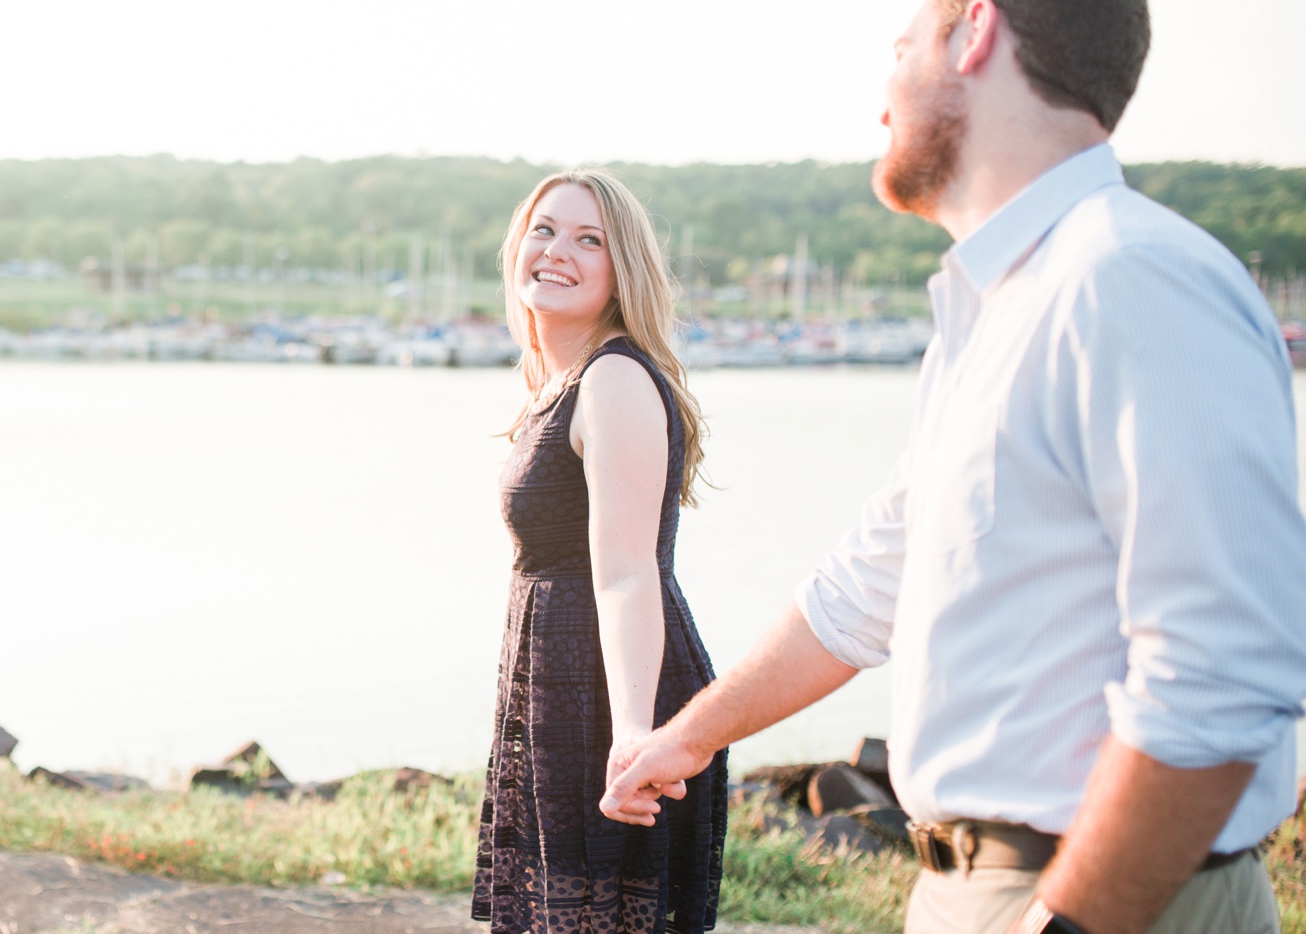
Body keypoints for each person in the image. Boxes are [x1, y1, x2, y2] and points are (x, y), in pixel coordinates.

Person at [599, 2, 1306, 933]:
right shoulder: (997, 313)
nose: (880, 98)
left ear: (975, 31)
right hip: (971, 889)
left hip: (1112, 898)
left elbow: (1224, 673)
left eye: (900, 49)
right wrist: (683, 738)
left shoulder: (1130, 279)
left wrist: (1067, 921)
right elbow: (862, 593)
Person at [472, 168, 728, 934]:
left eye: (591, 239)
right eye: (544, 229)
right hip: (558, 688)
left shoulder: (612, 380)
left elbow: (624, 573)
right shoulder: (559, 381)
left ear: (624, 273)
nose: (557, 250)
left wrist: (634, 735)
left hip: (607, 699)